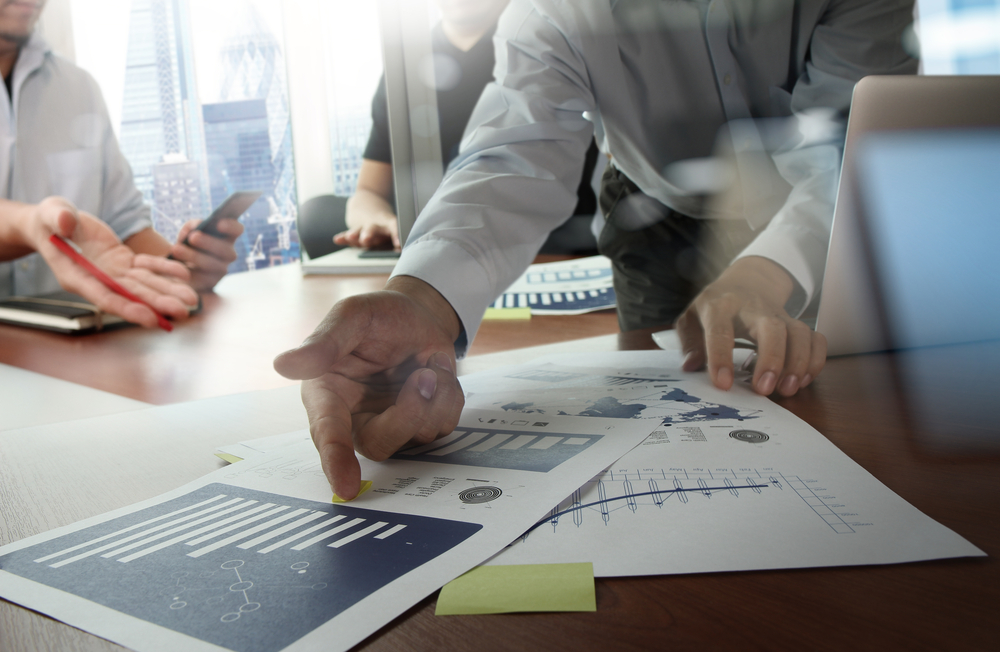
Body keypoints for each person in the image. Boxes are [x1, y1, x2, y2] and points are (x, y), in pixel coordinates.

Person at [275, 0, 918, 499]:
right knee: (684, 416)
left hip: (822, 201)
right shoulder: (549, 12)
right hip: (653, 206)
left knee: (846, 408)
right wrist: (419, 299)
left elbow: (849, 144)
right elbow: (516, 156)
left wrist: (768, 270)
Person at [0, 0, 243, 327]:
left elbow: (125, 224)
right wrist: (27, 224)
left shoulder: (78, 88)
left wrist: (181, 271)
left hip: (72, 353)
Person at [335, 0, 598, 254]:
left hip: (551, 240)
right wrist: (381, 220)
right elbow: (367, 193)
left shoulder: (547, 48)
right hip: (438, 248)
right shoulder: (404, 68)